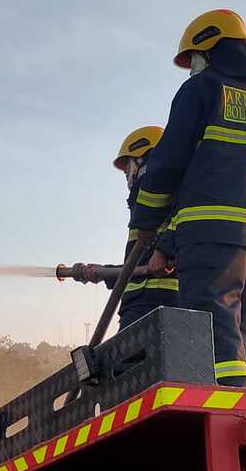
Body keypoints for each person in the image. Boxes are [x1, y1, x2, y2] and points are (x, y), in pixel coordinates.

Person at [131, 9, 246, 387]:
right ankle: (239, 387)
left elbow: (167, 163)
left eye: (194, 58)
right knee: (237, 324)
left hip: (209, 229)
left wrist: (145, 223)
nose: (192, 67)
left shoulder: (203, 90)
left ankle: (227, 398)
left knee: (210, 322)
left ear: (210, 49)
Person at [74, 126, 179, 331]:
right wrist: (104, 272)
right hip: (138, 302)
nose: (127, 176)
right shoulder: (140, 206)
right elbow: (138, 264)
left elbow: (182, 223)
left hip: (161, 300)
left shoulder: (171, 190)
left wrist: (163, 252)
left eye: (128, 167)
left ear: (143, 159)